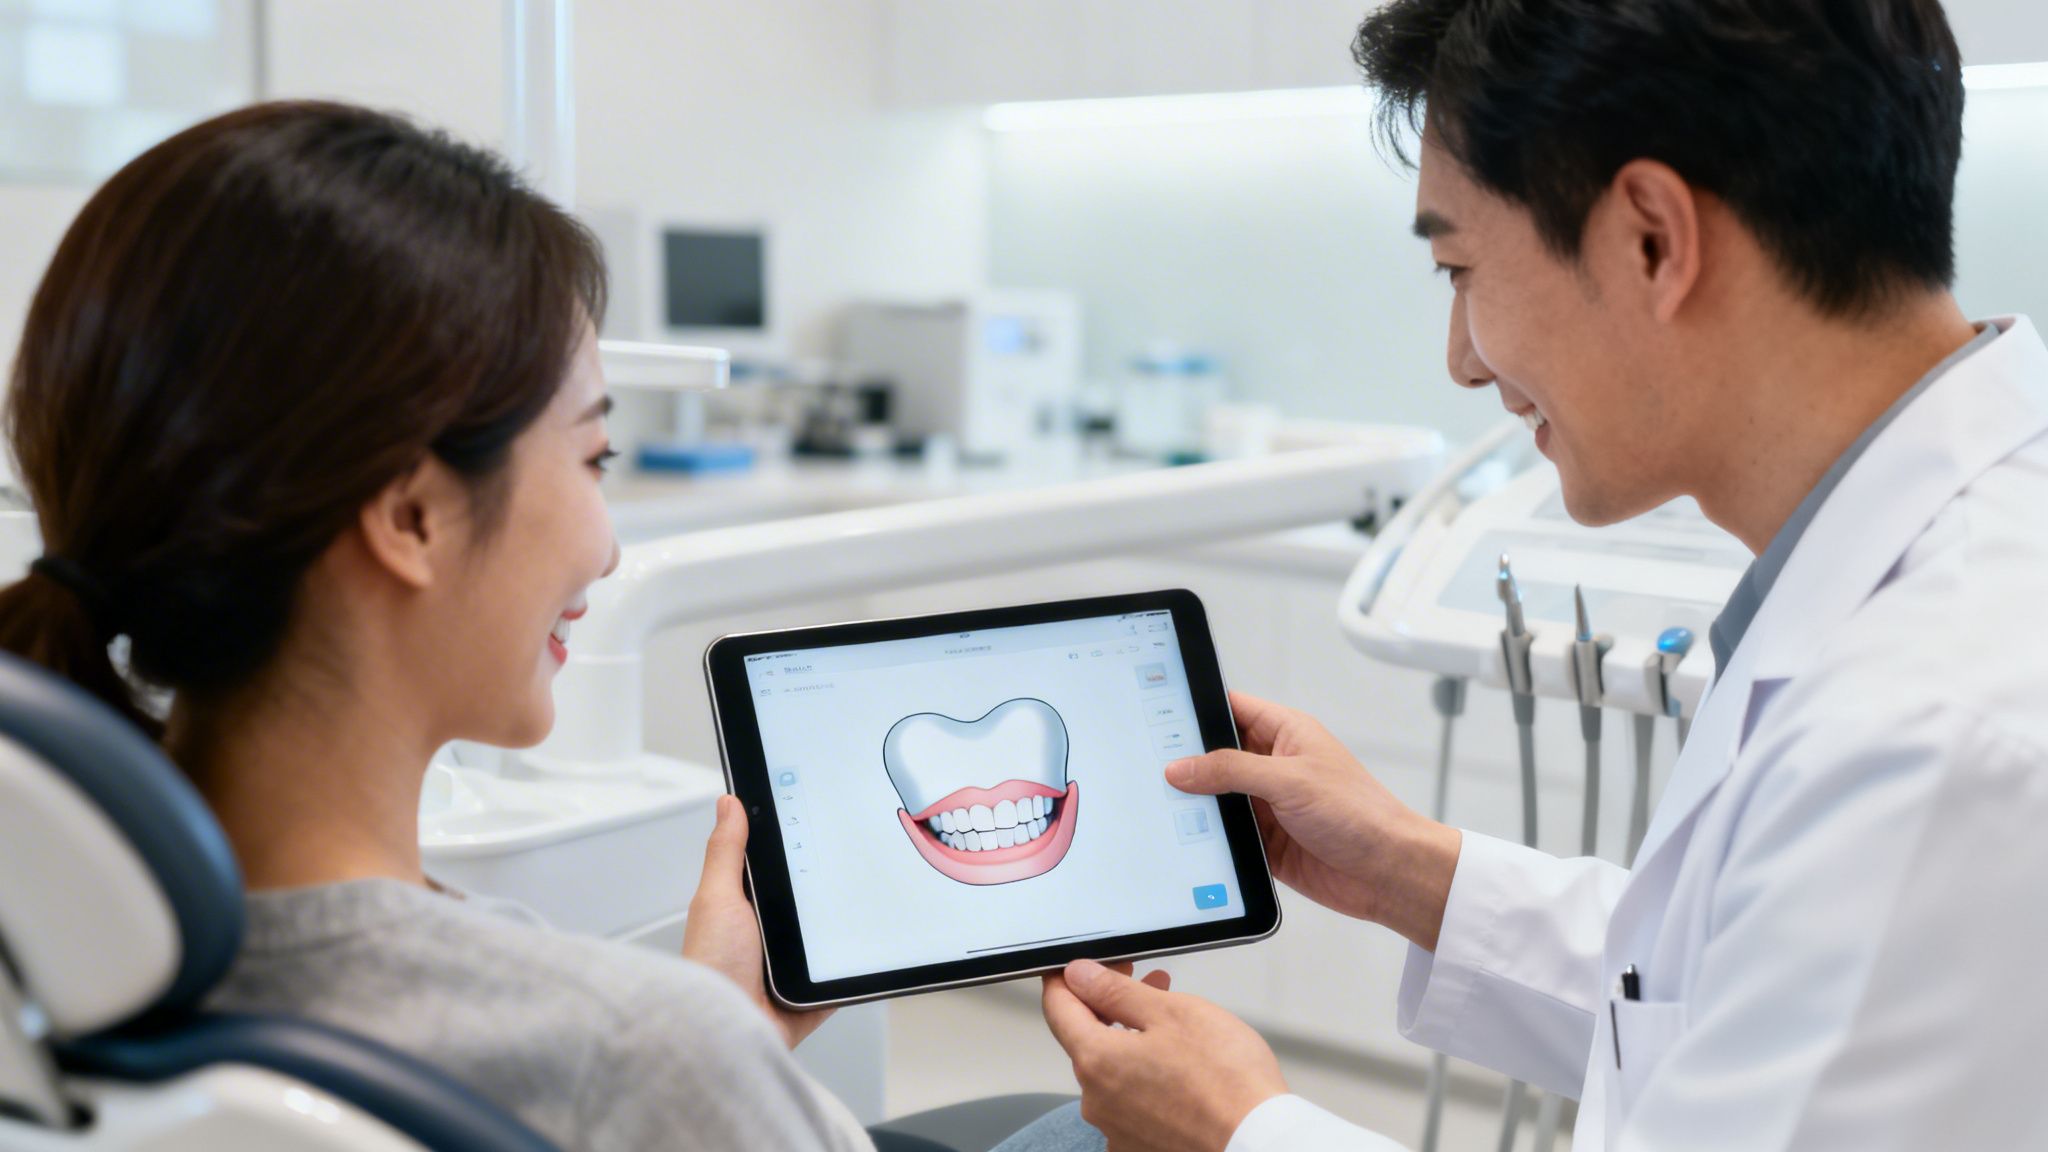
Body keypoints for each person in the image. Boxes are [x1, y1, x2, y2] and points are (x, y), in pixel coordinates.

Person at [1014, 0, 2048, 1149]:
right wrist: (1407, 869)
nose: (1460, 361)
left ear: (1649, 238)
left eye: (1459, 265)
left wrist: (1239, 1130)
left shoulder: (1935, 728)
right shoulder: (1918, 584)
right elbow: (1732, 997)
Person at [0, 99, 888, 1152]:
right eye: (592, 458)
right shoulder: (629, 1054)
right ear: (411, 515)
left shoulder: (50, 968)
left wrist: (707, 1049)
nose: (607, 548)